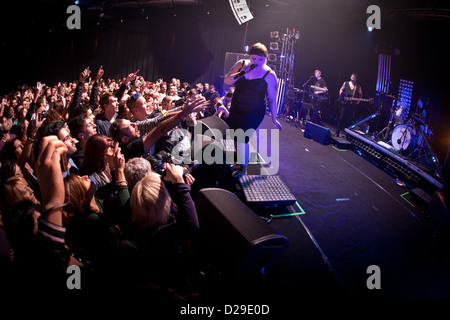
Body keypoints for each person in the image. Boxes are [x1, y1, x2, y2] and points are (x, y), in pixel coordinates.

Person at [224, 42, 282, 177]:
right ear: (249, 56)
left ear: (266, 58)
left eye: (261, 59)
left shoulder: (269, 74)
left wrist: (274, 118)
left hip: (254, 111)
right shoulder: (242, 64)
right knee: (235, 136)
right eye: (254, 58)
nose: (257, 62)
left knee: (242, 137)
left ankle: (243, 168)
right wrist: (242, 72)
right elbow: (227, 80)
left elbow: (273, 99)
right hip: (237, 106)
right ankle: (239, 162)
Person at [336, 73, 363, 137]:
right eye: (352, 76)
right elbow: (341, 89)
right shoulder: (346, 83)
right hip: (345, 103)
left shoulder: (358, 86)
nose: (353, 77)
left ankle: (347, 134)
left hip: (352, 105)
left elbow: (360, 95)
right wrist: (341, 96)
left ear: (356, 79)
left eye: (354, 77)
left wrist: (358, 101)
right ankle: (337, 132)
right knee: (341, 117)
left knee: (349, 119)